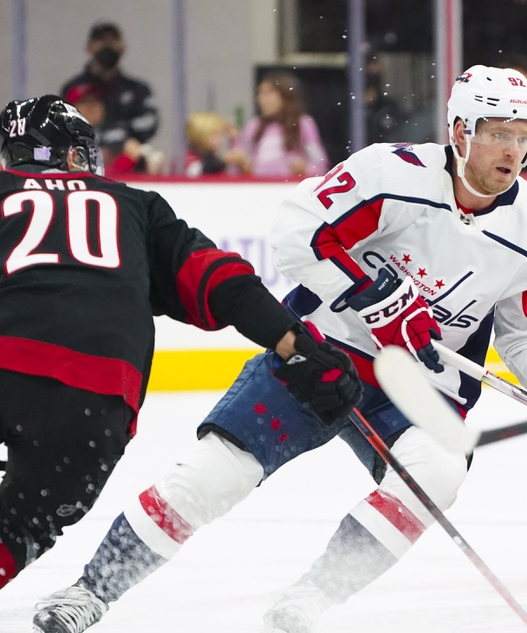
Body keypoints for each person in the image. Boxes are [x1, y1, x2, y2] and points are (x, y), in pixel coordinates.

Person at [20, 66, 527, 633]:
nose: (512, 150)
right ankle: (90, 592)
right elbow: (296, 232)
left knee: (440, 473)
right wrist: (375, 294)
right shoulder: (391, 173)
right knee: (210, 476)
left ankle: (309, 600)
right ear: (459, 131)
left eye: (523, 136)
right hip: (320, 356)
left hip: (418, 388)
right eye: (497, 133)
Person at [0, 95, 360, 605]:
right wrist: (300, 347)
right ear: (76, 156)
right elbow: (223, 283)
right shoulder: (135, 207)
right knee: (24, 522)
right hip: (95, 399)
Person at [60, 22, 159, 160]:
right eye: (101, 40)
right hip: (85, 153)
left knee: (155, 158)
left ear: (122, 48)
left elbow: (150, 121)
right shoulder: (74, 88)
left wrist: (123, 136)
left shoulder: (138, 89)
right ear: (89, 48)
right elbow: (64, 127)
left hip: (129, 152)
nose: (108, 45)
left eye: (113, 40)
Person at [234, 73, 329, 178]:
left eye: (268, 94)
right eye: (260, 94)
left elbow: (321, 164)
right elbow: (240, 164)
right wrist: (236, 146)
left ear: (285, 96)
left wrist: (305, 168)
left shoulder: (303, 124)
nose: (261, 99)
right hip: (259, 188)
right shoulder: (254, 126)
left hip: (290, 188)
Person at [183, 111, 247, 178]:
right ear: (200, 136)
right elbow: (195, 171)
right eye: (215, 134)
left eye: (221, 134)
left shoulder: (213, 156)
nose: (220, 139)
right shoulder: (188, 158)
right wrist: (224, 160)